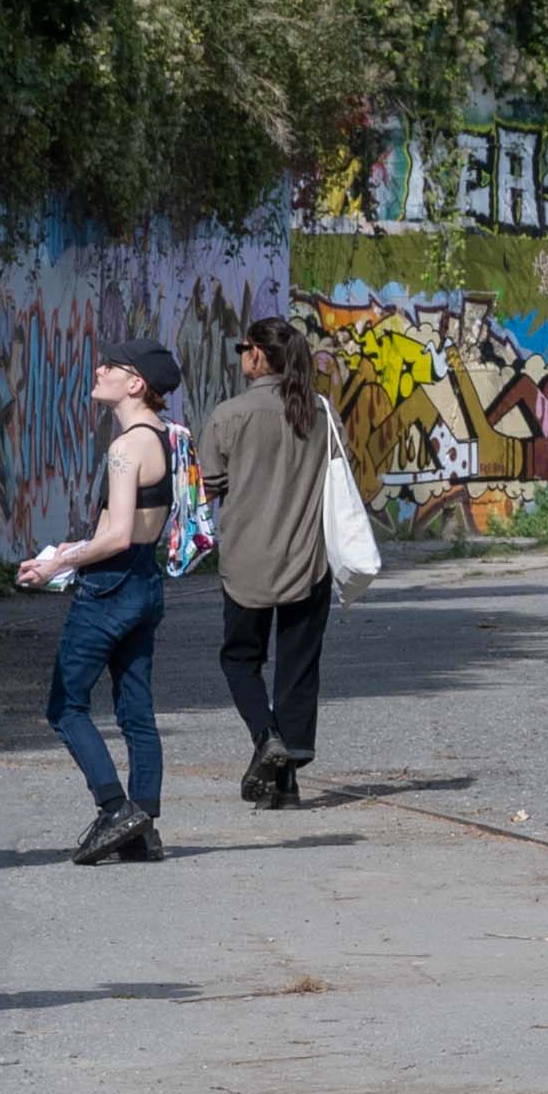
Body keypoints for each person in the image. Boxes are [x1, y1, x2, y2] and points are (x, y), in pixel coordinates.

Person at [19, 342, 194, 862]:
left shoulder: (124, 449)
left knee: (65, 706)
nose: (99, 370)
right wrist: (68, 551)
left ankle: (115, 808)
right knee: (136, 710)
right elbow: (135, 530)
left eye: (111, 367)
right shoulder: (168, 437)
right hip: (145, 580)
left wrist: (57, 565)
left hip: (109, 585)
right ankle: (143, 828)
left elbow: (115, 535)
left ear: (135, 384)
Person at [195, 320, 344, 806]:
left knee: (240, 660)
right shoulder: (321, 413)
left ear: (258, 355)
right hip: (308, 558)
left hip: (246, 560)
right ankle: (287, 779)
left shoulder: (229, 414)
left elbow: (208, 485)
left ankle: (266, 738)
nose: (241, 355)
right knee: (299, 668)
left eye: (244, 348)